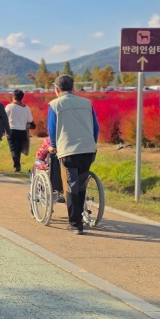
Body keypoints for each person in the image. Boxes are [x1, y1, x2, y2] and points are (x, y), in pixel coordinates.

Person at [47, 75, 100, 235]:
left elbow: (52, 128)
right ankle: (79, 217)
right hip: (88, 150)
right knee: (81, 183)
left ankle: (75, 224)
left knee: (70, 185)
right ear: (73, 87)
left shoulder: (55, 105)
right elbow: (95, 127)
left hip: (69, 151)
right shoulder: (86, 103)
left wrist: (54, 146)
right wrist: (91, 142)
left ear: (56, 89)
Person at [4, 89, 35, 173]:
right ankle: (17, 164)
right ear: (22, 97)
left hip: (11, 130)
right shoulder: (26, 108)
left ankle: (17, 165)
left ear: (13, 97)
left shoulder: (9, 107)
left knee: (13, 149)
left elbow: (4, 118)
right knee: (18, 149)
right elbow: (30, 120)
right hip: (22, 131)